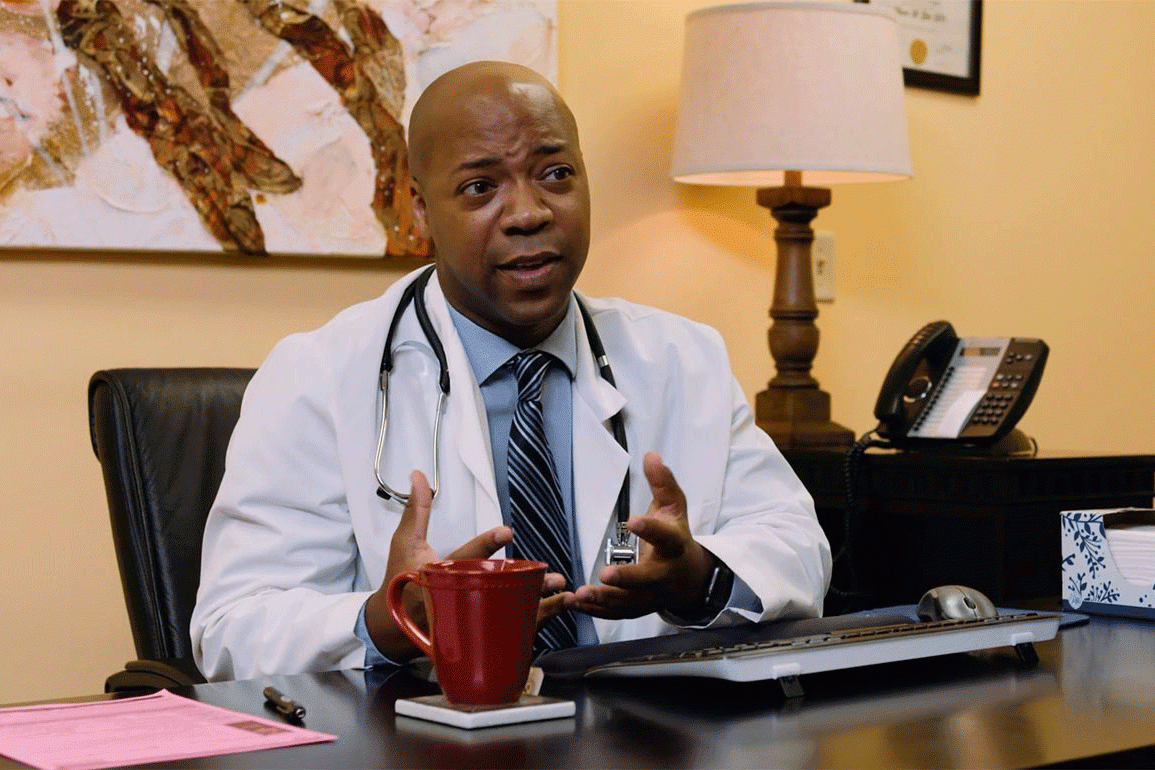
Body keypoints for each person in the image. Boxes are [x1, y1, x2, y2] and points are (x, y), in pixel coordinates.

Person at [190, 60, 831, 681]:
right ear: (419, 213)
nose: (529, 213)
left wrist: (698, 577)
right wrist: (390, 620)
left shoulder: (681, 357)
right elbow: (232, 629)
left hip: (646, 738)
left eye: (555, 174)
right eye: (480, 187)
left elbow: (798, 548)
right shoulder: (320, 377)